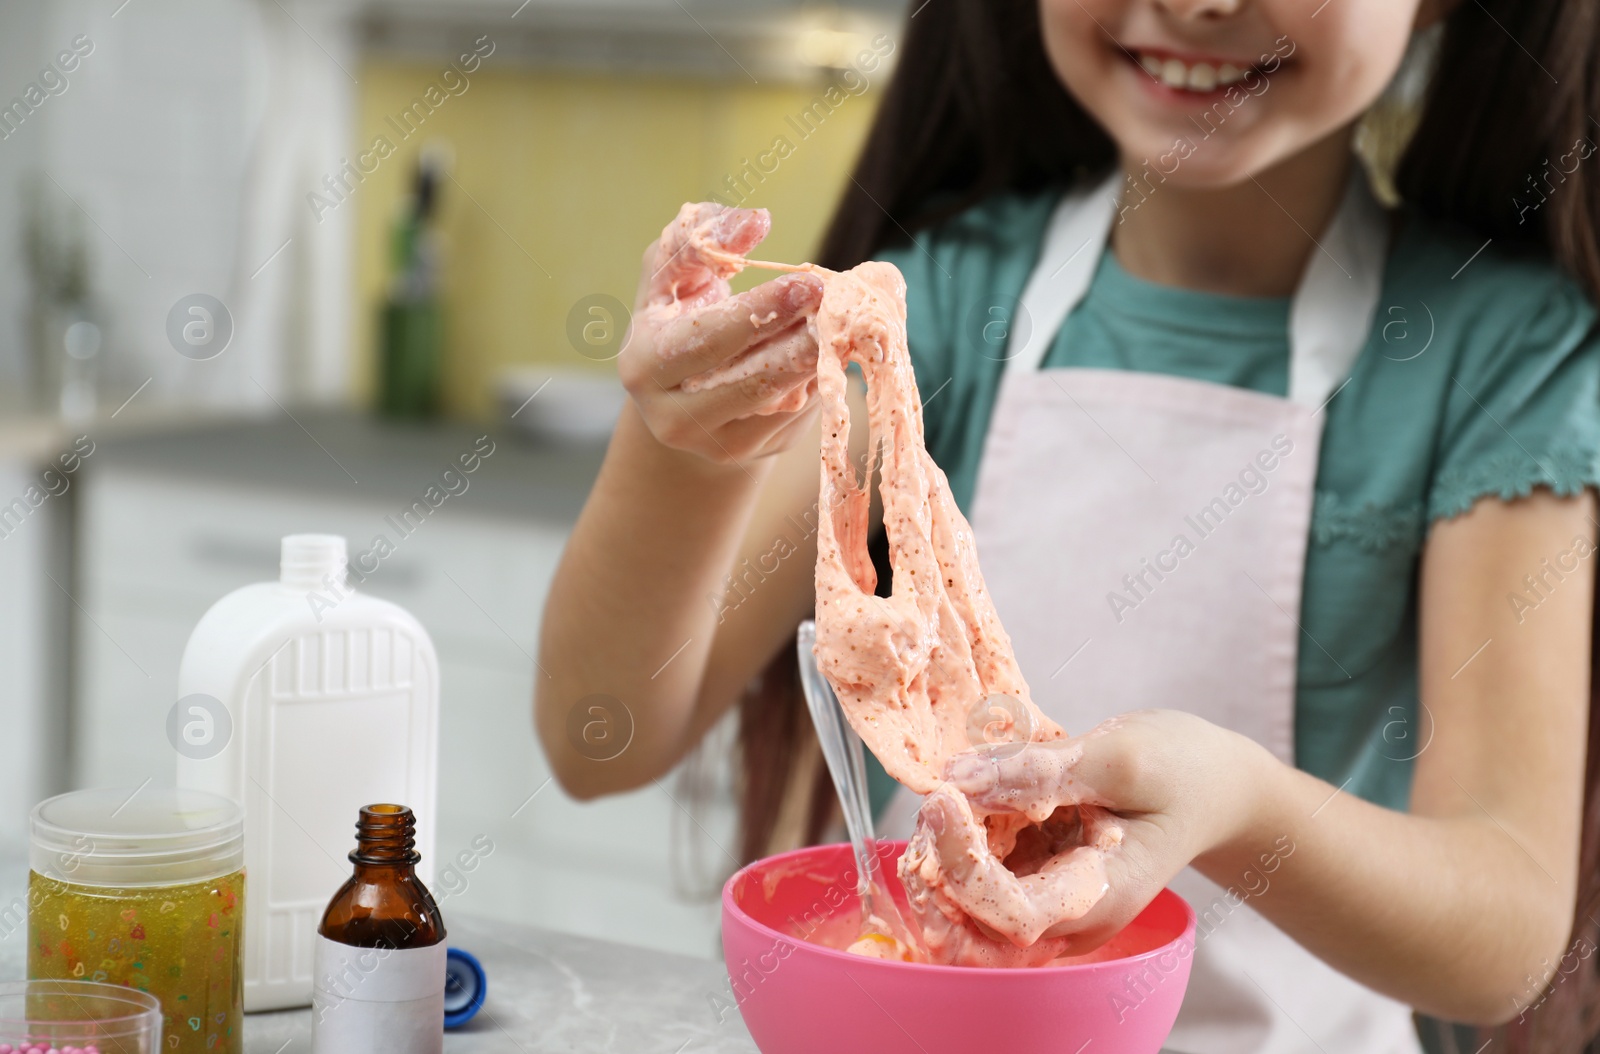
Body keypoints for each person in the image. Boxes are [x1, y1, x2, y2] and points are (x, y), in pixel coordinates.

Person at [536, 1, 1600, 1050]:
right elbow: (603, 739)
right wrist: (685, 443)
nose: (1198, 4)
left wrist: (1239, 806)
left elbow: (1503, 931)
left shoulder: (1500, 357)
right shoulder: (943, 303)